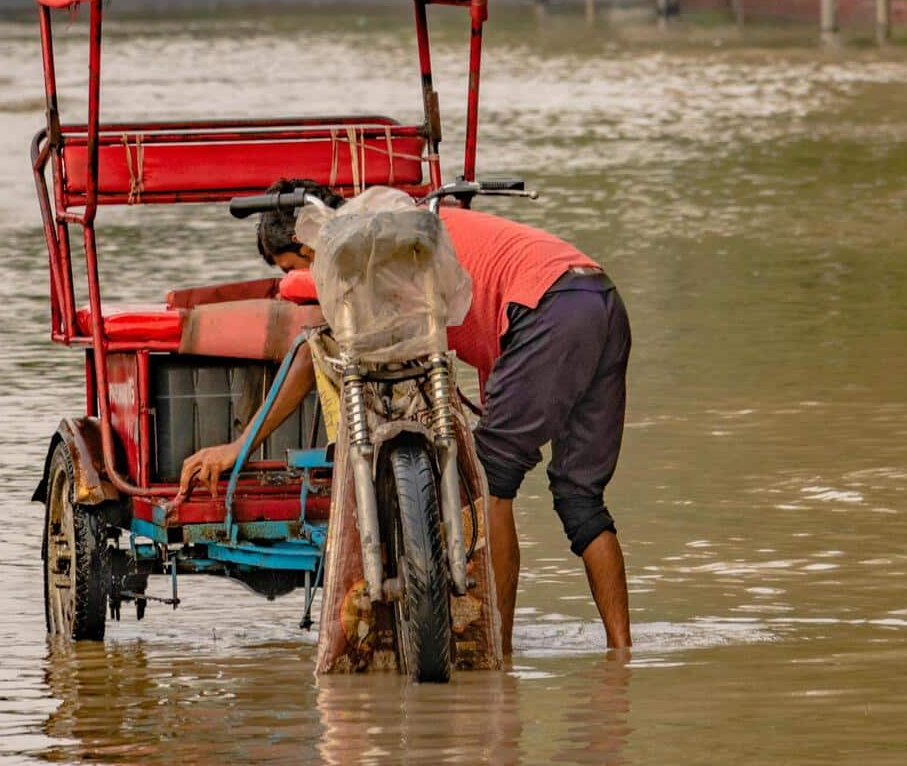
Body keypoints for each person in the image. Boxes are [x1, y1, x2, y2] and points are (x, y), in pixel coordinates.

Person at [178, 179, 633, 655]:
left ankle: (497, 652)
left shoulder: (374, 246)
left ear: (307, 242)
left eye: (301, 268)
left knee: (490, 477)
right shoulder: (405, 224)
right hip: (598, 296)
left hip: (546, 310)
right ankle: (621, 655)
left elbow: (312, 350)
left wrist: (240, 446)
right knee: (581, 499)